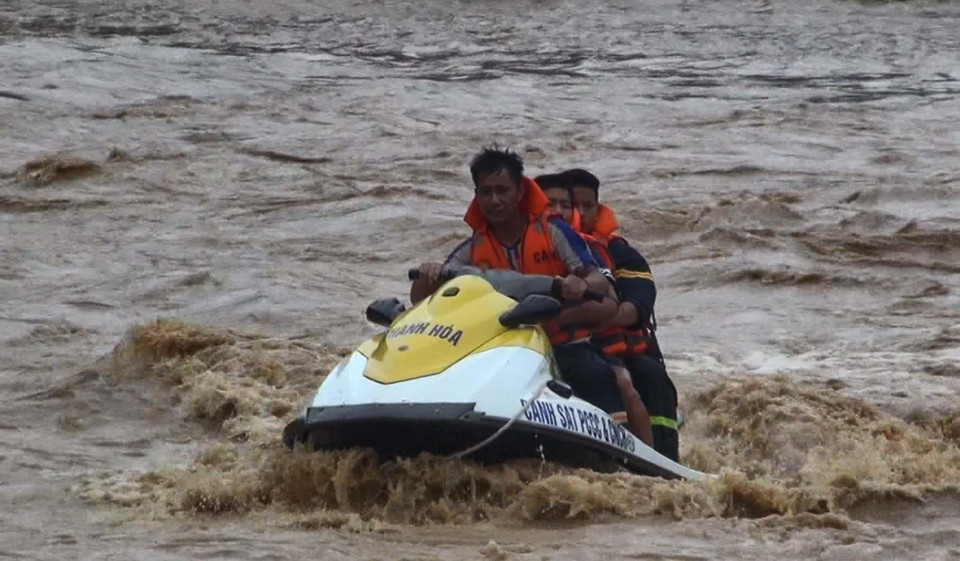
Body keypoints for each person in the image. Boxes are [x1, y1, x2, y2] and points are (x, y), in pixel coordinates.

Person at [411, 147, 642, 442]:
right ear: (477, 195)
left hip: (562, 342)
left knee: (598, 376)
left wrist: (578, 284)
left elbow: (597, 278)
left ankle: (626, 449)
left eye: (502, 190)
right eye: (486, 192)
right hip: (502, 350)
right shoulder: (471, 249)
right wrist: (428, 275)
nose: (494, 200)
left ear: (520, 191)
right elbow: (421, 299)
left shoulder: (554, 232)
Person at [560, 168, 680, 461]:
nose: (581, 213)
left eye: (589, 206)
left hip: (622, 351)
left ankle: (665, 460)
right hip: (572, 349)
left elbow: (637, 306)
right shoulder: (548, 245)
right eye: (575, 206)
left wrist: (592, 316)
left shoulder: (622, 254)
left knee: (652, 377)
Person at [536, 173, 654, 444]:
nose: (557, 212)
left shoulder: (595, 250)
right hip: (522, 343)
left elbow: (621, 303)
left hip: (582, 345)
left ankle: (650, 464)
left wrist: (563, 318)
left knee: (627, 380)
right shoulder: (502, 241)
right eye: (549, 204)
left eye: (565, 205)